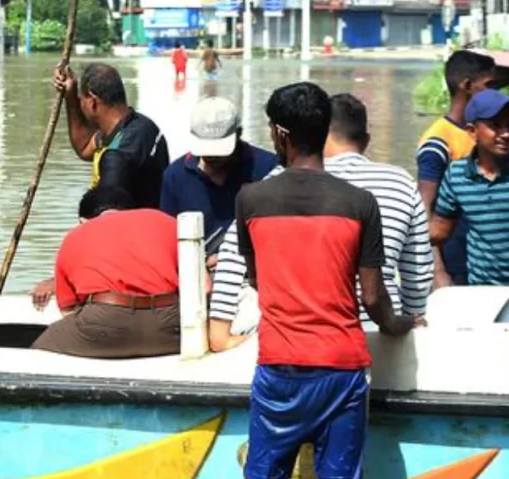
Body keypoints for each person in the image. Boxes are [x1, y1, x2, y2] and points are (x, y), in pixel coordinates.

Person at [228, 82, 415, 479]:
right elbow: (374, 298)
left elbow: (255, 276)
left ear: (282, 135)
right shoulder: (359, 203)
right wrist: (401, 324)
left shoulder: (251, 199)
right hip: (341, 365)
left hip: (280, 364)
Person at [208, 93, 433, 352]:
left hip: (289, 340)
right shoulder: (399, 183)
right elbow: (417, 273)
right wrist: (407, 320)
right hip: (375, 337)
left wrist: (220, 334)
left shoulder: (269, 187)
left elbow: (233, 261)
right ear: (366, 140)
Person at [31, 186, 180, 358]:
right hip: (171, 324)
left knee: (41, 349)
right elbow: (203, 287)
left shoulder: (76, 234)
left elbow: (68, 309)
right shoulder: (166, 221)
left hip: (105, 324)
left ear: (83, 220)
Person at [418, 50, 498, 288]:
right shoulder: (438, 141)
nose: (495, 93)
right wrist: (438, 272)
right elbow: (425, 210)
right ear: (467, 86)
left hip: (488, 267)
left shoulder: (486, 134)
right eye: (489, 85)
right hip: (456, 264)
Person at [159, 97, 278, 242]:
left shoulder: (268, 169)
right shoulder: (175, 177)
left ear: (238, 134)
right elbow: (167, 237)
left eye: (219, 151)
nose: (213, 156)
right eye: (207, 149)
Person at [55, 63, 169, 209]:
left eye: (81, 99)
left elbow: (105, 217)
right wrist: (70, 96)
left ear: (92, 101)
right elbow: (84, 147)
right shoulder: (145, 125)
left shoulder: (116, 156)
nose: (81, 104)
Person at [431, 88, 509, 285]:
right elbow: (437, 234)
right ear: (472, 131)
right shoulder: (457, 176)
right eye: (495, 125)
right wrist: (440, 277)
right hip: (482, 294)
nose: (506, 133)